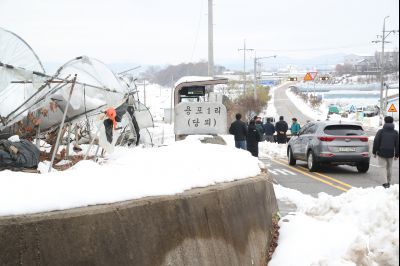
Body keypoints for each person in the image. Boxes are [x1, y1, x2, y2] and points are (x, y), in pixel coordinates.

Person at [373, 116, 399, 188]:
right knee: (389, 167)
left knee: (382, 167)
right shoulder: (395, 132)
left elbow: (376, 142)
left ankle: (385, 183)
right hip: (391, 153)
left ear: (384, 122)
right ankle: (388, 181)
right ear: (392, 122)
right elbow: (397, 144)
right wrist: (397, 154)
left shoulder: (380, 131)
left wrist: (374, 152)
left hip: (381, 152)